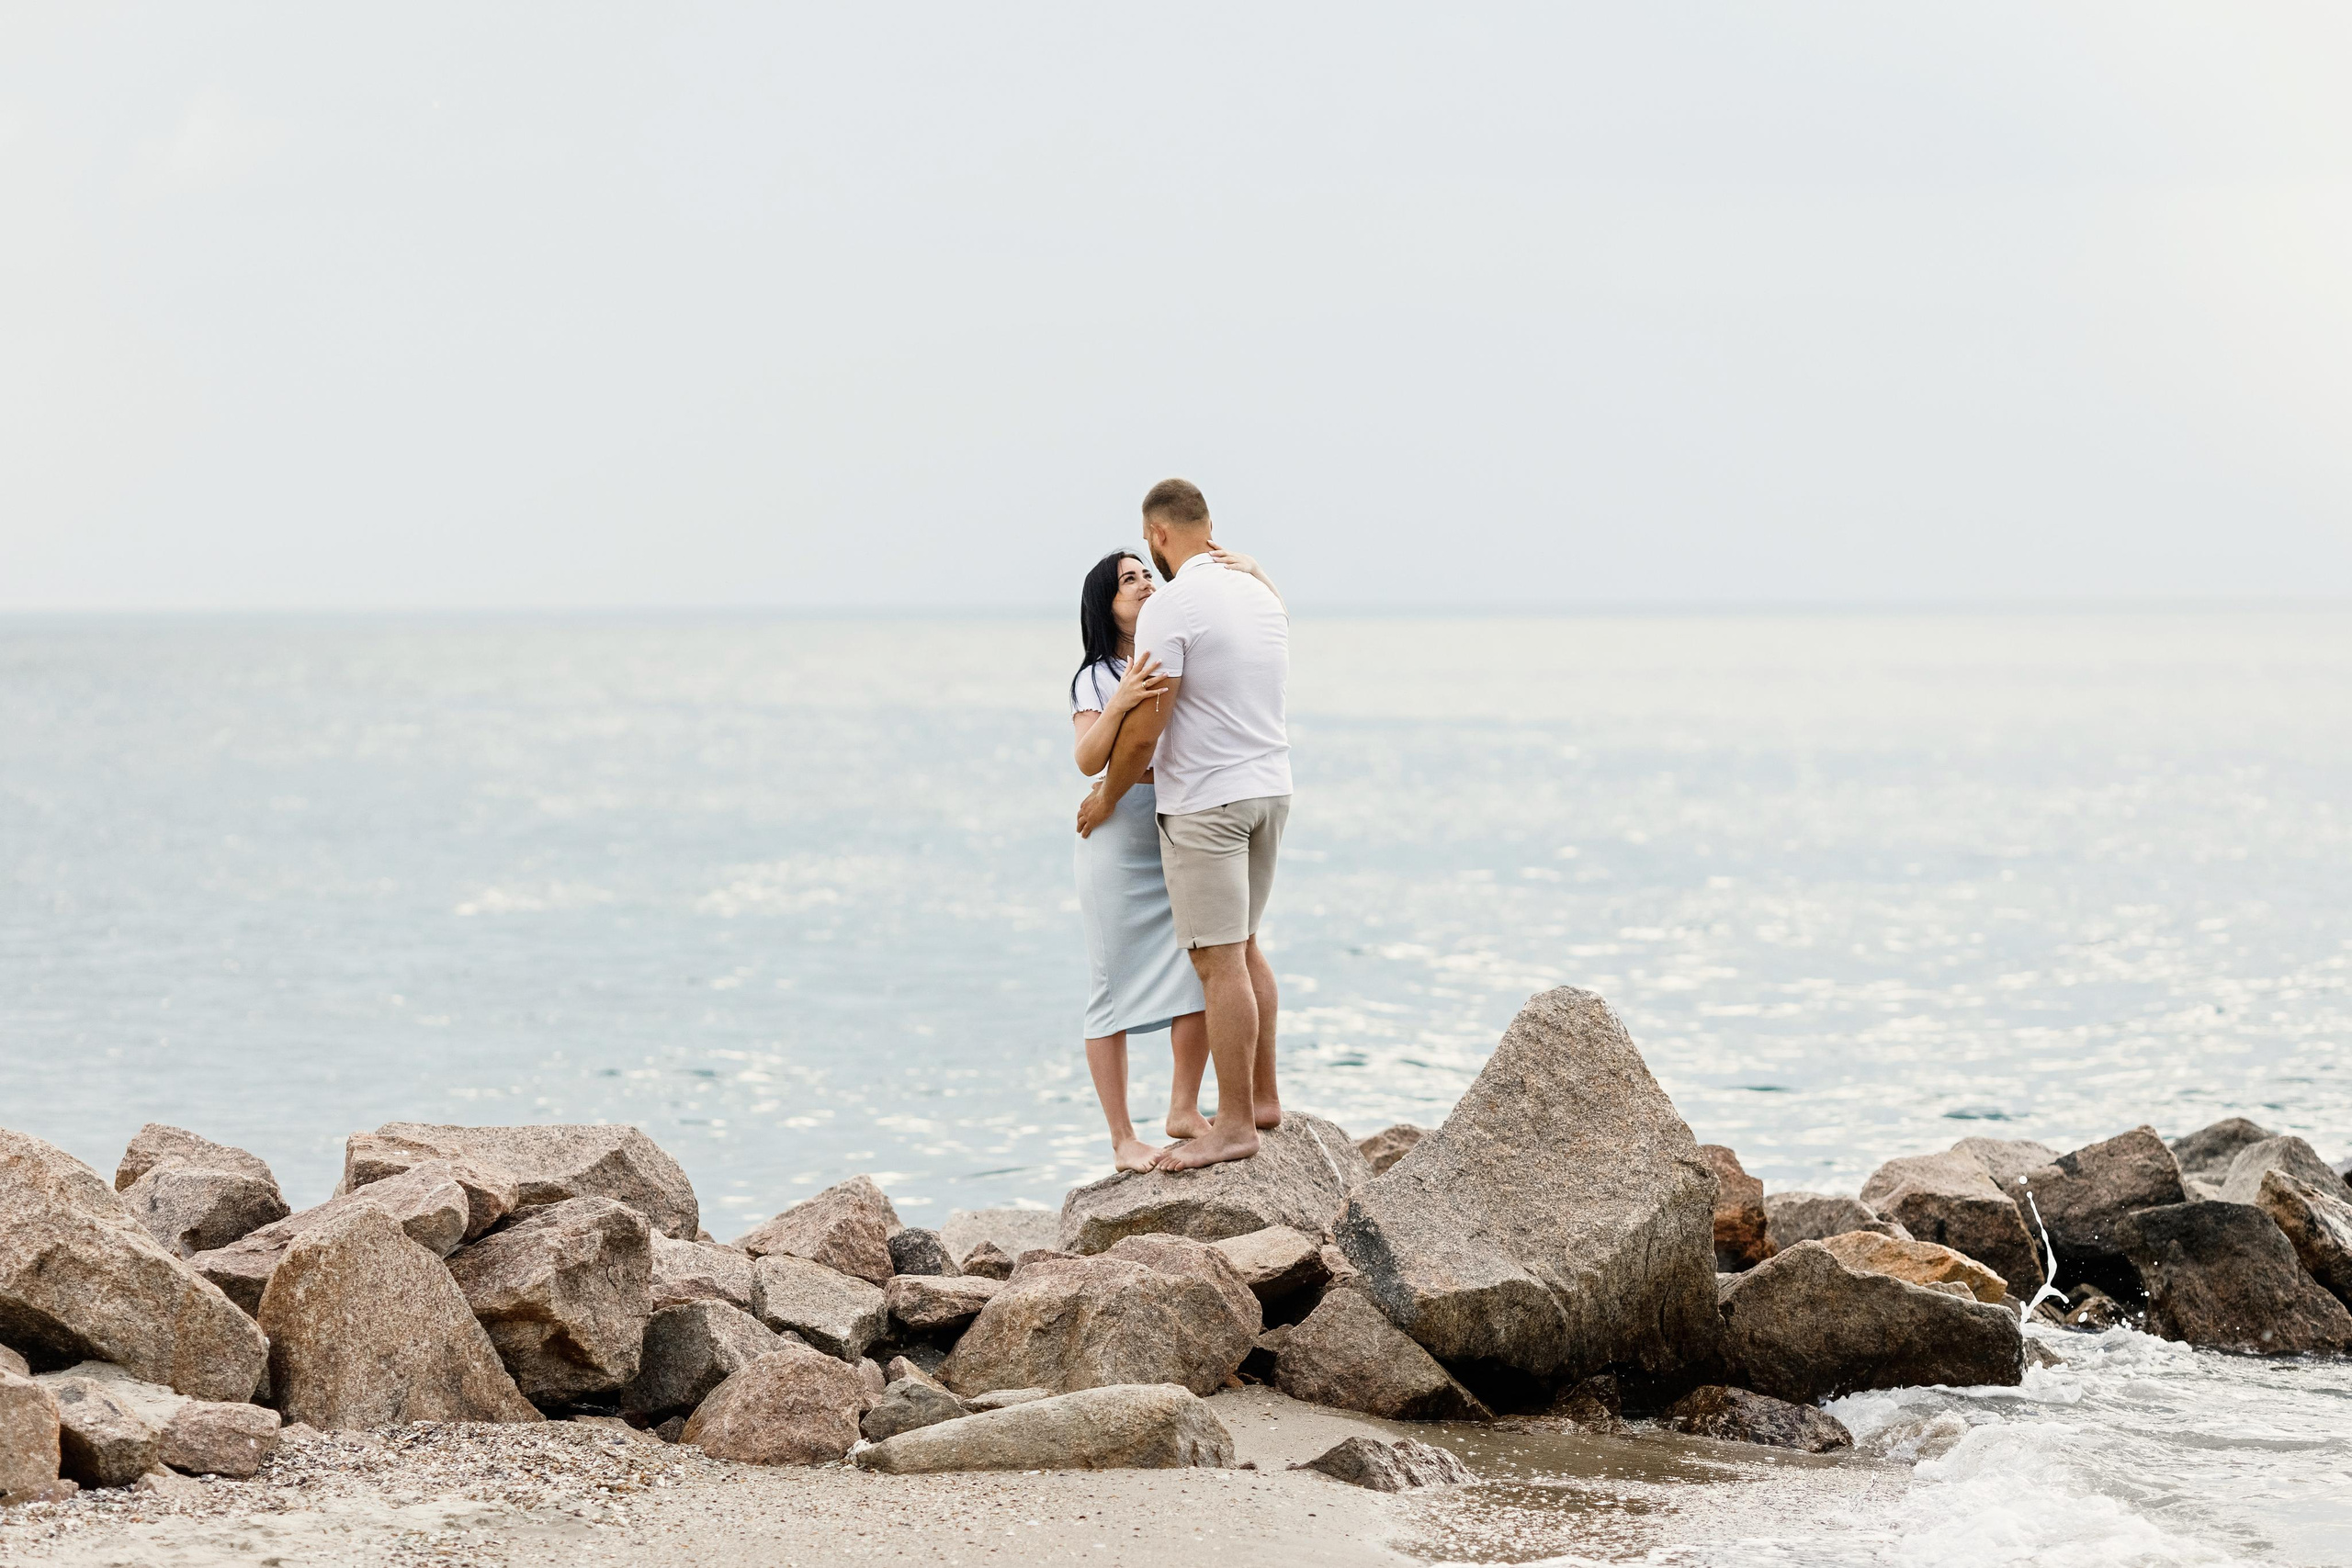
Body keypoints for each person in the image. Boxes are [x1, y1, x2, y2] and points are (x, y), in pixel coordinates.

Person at [1078, 479, 1290, 1170]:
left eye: (1148, 552)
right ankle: (1261, 1098)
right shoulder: (1260, 595)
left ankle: (1233, 1125)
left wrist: (1107, 798)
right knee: (1248, 945)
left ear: (1160, 535)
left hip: (1209, 803)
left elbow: (1143, 733)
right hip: (1270, 790)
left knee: (1217, 960)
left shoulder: (1176, 604)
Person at [1069, 549, 1210, 1171]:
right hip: (1115, 842)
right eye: (1130, 579)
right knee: (1109, 986)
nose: (1145, 584)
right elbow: (1088, 758)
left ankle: (1184, 1108)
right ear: (1107, 603)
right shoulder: (1095, 676)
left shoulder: (1174, 651)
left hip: (1176, 827)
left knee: (1201, 967)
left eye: (1147, 573)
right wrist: (1124, 697)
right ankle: (1123, 1138)